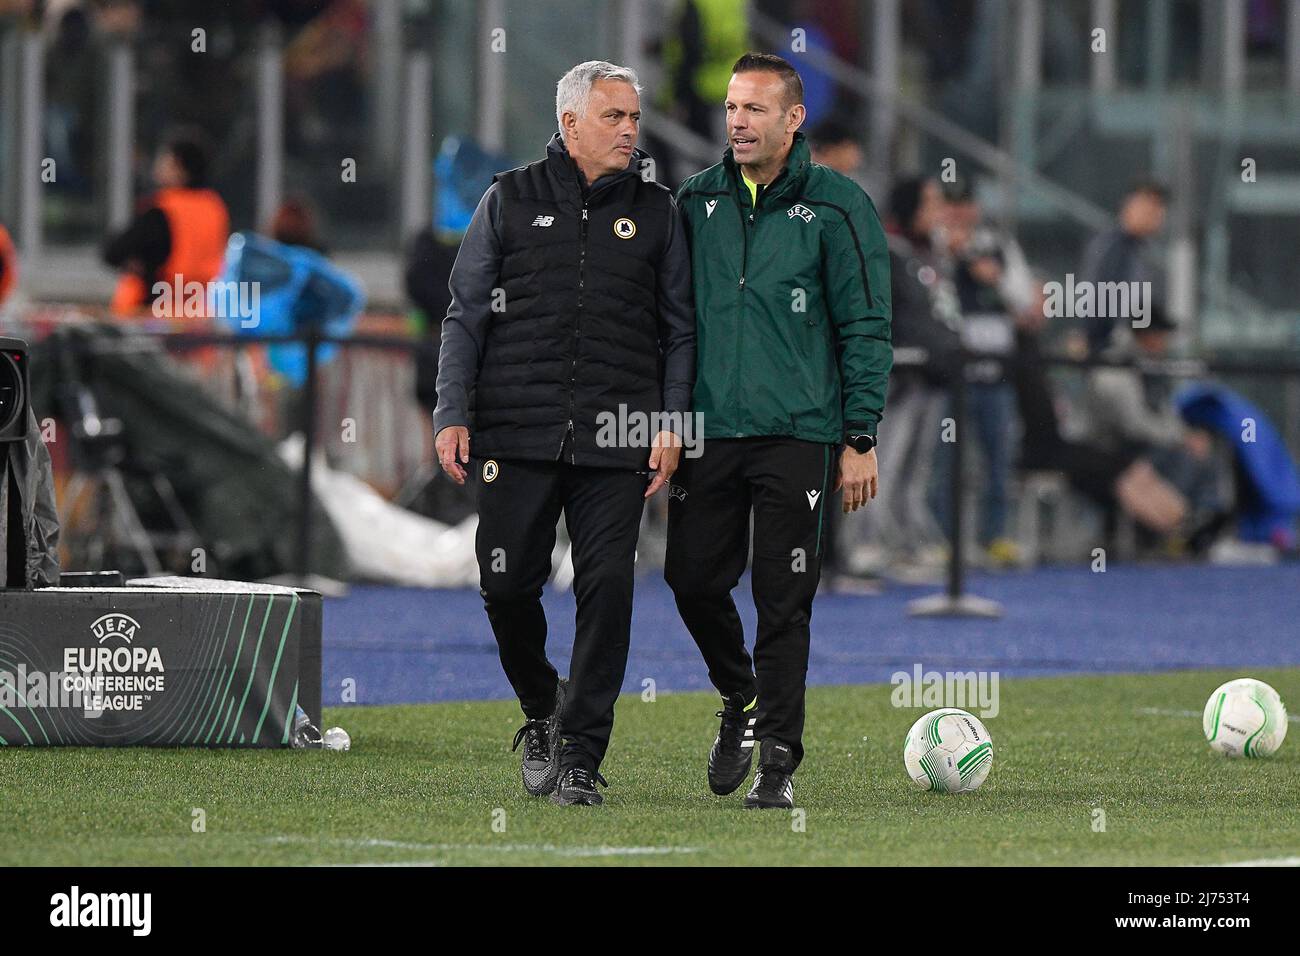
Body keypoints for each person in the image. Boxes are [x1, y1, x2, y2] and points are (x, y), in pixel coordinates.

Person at [433, 61, 695, 807]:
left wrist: (673, 421)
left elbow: (681, 330)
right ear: (571, 123)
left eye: (635, 118)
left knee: (608, 589)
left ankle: (581, 755)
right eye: (614, 117)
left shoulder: (658, 210)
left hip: (621, 433)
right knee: (507, 585)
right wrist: (452, 413)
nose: (630, 131)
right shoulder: (508, 199)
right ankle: (541, 706)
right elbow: (465, 313)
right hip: (514, 431)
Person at [666, 53, 891, 809]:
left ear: (794, 120)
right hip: (711, 430)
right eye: (732, 107)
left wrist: (860, 436)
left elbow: (866, 326)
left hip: (801, 431)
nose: (737, 121)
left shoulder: (838, 208)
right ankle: (741, 697)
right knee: (690, 580)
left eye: (755, 109)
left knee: (783, 596)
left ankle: (778, 766)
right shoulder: (693, 201)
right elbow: (668, 324)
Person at [103, 132, 230, 318]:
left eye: (165, 161)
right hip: (201, 311)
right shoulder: (215, 207)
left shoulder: (163, 210)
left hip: (153, 312)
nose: (158, 166)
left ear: (179, 168)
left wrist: (137, 265)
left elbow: (114, 251)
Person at [1078, 179, 1167, 356]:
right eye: (1150, 208)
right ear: (1130, 207)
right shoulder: (1114, 247)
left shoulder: (1140, 249)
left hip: (1127, 350)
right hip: (1110, 351)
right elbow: (1098, 299)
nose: (1156, 216)